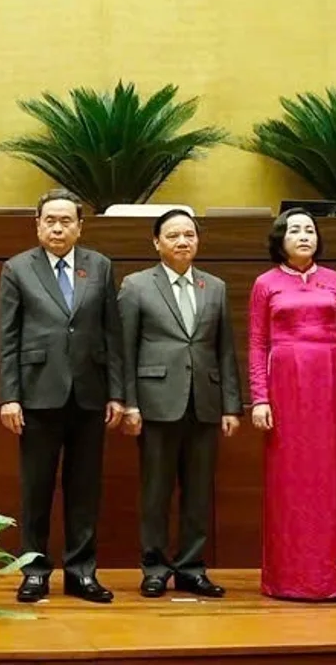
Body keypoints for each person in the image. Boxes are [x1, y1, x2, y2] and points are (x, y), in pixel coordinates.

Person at [0, 188, 124, 605]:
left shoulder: (100, 266)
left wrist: (117, 393)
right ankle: (34, 572)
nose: (57, 228)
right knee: (36, 489)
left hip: (90, 394)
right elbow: (7, 338)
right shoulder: (17, 268)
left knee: (84, 489)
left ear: (80, 227)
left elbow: (112, 333)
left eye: (66, 221)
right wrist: (9, 396)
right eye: (49, 220)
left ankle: (81, 573)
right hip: (37, 394)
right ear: (37, 225)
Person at [117, 207, 240, 599]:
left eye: (189, 234)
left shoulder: (215, 287)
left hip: (204, 401)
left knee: (199, 492)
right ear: (156, 242)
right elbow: (124, 349)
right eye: (173, 235)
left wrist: (231, 405)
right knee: (156, 492)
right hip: (156, 402)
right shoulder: (136, 285)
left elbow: (225, 350)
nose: (183, 241)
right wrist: (129, 403)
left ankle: (191, 568)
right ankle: (154, 568)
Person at [249, 209, 336, 601]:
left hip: (328, 385)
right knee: (289, 478)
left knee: (328, 479)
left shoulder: (334, 280)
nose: (303, 236)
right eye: (294, 230)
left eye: (310, 230)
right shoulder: (265, 283)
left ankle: (331, 579)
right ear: (279, 239)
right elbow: (256, 344)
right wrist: (260, 398)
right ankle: (287, 578)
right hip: (285, 386)